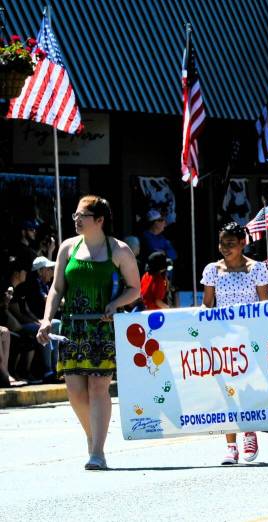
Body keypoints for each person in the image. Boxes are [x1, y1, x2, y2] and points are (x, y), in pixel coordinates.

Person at [36, 195, 141, 470]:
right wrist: (47, 319)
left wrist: (116, 303)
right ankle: (92, 436)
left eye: (82, 216)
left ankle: (97, 452)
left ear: (99, 220)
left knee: (98, 388)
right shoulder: (68, 248)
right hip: (72, 326)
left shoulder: (119, 250)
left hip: (102, 327)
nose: (76, 220)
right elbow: (57, 288)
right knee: (75, 393)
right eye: (75, 216)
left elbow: (135, 288)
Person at [201, 221, 268, 465]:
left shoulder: (257, 269)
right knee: (227, 390)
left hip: (249, 338)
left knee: (249, 387)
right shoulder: (212, 270)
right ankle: (230, 444)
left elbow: (265, 304)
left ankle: (249, 433)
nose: (225, 248)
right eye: (222, 243)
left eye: (230, 243)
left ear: (243, 244)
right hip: (222, 338)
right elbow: (208, 304)